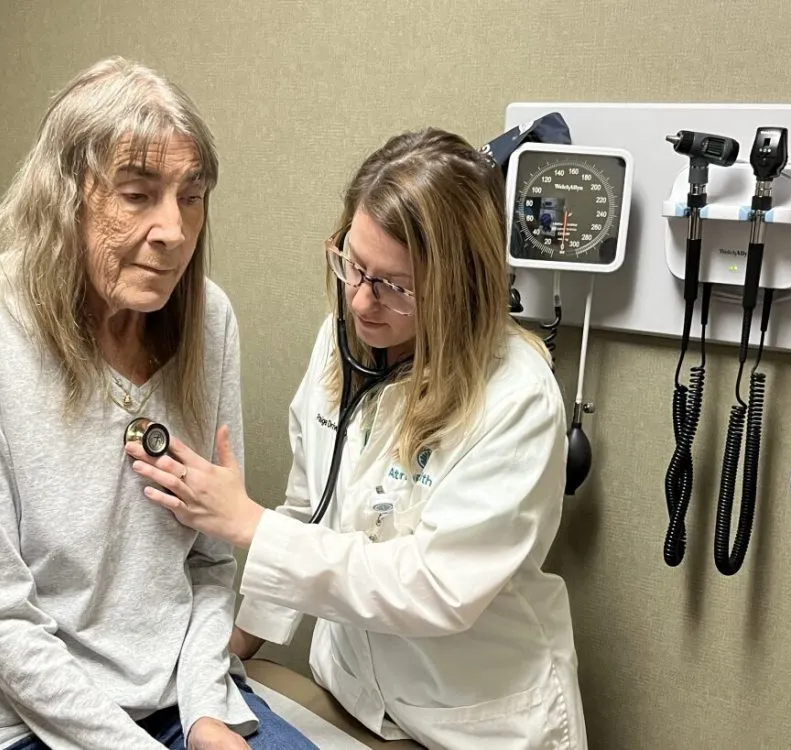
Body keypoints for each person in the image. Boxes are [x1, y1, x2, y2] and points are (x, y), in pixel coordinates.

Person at [127, 128, 588, 749]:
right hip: (351, 701)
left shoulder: (516, 398)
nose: (360, 300)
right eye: (352, 263)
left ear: (462, 286)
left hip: (476, 722)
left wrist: (250, 526)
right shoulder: (344, 341)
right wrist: (230, 650)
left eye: (394, 285)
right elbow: (309, 511)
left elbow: (435, 589)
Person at [0, 57, 317, 750]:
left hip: (177, 693)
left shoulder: (209, 320)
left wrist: (204, 717)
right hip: (17, 716)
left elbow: (209, 564)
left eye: (190, 197)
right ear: (64, 197)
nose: (173, 231)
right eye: (138, 195)